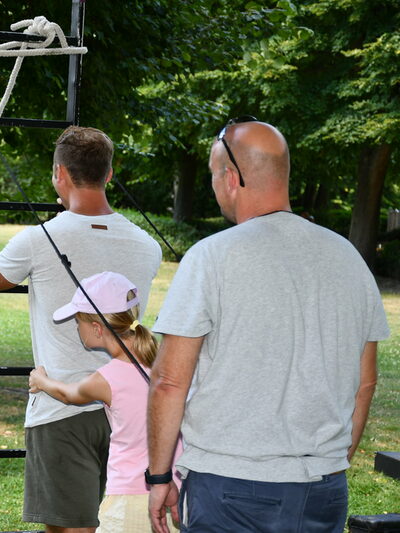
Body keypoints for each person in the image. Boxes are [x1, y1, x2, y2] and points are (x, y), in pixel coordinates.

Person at [146, 119, 390, 533]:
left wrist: (158, 476)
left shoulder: (211, 257)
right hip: (323, 490)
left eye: (212, 175)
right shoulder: (349, 258)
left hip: (228, 488)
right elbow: (365, 383)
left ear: (231, 178)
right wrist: (331, 459)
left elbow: (169, 381)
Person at [0, 126, 162, 532]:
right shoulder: (147, 245)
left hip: (60, 408)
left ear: (60, 173)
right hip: (131, 408)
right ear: (109, 174)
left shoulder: (40, 239)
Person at [28, 272, 179, 533]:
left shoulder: (107, 378)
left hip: (128, 500)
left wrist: (40, 380)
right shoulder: (164, 365)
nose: (77, 327)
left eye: (78, 321)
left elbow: (68, 394)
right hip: (172, 490)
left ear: (97, 329)